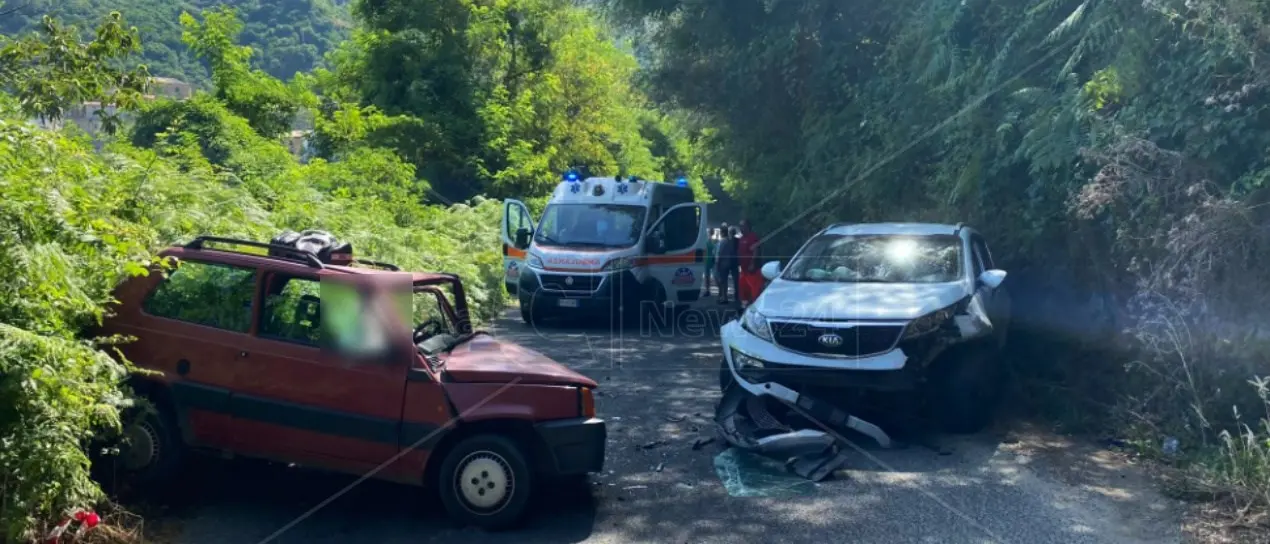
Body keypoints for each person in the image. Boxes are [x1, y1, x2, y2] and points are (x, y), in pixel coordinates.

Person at [737, 219, 762, 308]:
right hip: (743, 270)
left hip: (752, 271)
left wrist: (752, 264)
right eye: (740, 226)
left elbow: (756, 251)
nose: (741, 228)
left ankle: (755, 306)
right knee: (743, 288)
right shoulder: (741, 239)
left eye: (742, 226)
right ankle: (744, 305)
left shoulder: (752, 237)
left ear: (748, 227)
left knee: (754, 289)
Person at [716, 226, 740, 304]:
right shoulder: (735, 241)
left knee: (724, 280)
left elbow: (720, 253)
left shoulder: (723, 241)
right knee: (735, 280)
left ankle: (724, 297)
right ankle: (736, 296)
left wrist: (718, 263)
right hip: (733, 262)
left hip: (724, 263)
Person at [703, 228, 721, 297]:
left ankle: (721, 290)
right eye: (709, 232)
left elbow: (717, 249)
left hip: (713, 260)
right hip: (706, 260)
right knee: (707, 276)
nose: (709, 233)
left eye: (710, 232)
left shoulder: (715, 240)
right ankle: (707, 291)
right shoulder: (705, 240)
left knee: (715, 276)